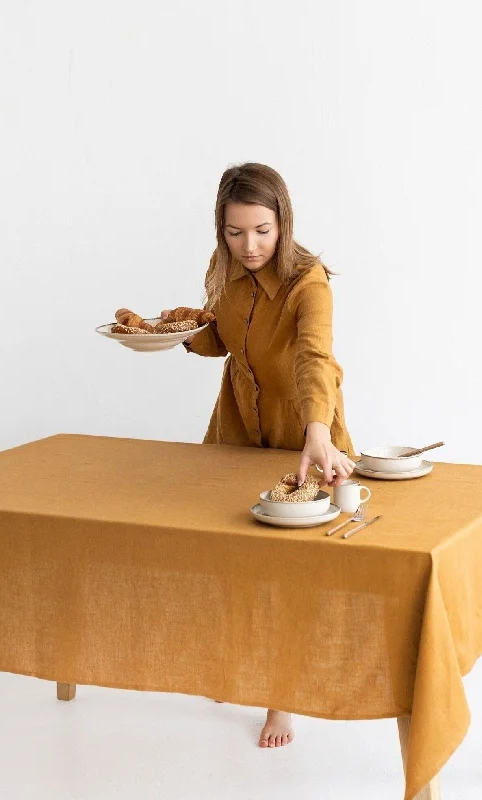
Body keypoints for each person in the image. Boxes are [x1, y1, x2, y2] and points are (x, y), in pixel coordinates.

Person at [162, 162, 356, 748]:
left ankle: (282, 698)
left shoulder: (309, 283)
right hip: (239, 434)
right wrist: (175, 333)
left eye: (263, 231)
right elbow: (221, 335)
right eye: (236, 232)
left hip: (304, 441)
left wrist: (317, 432)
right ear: (221, 230)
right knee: (228, 559)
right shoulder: (224, 273)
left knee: (288, 573)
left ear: (284, 223)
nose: (250, 246)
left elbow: (313, 360)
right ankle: (237, 664)